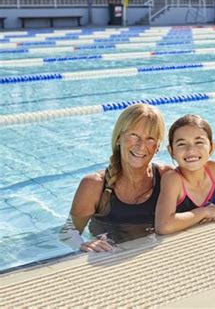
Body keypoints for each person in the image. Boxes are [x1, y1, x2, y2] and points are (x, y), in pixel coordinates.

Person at [60, 104, 173, 252]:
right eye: (134, 135)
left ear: (157, 146)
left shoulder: (167, 178)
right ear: (119, 138)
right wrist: (82, 244)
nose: (141, 145)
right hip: (108, 258)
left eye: (150, 139)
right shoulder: (94, 185)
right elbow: (68, 233)